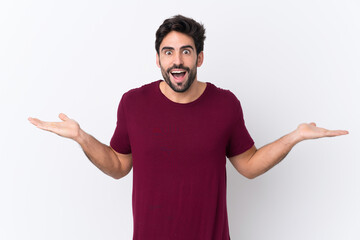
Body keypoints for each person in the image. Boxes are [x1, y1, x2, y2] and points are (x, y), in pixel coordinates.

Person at [28, 15, 348, 240]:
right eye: (169, 52)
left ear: (199, 58)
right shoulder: (133, 103)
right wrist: (82, 138)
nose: (177, 60)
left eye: (186, 51)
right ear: (158, 59)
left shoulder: (225, 104)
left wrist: (295, 137)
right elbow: (118, 165)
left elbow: (248, 166)